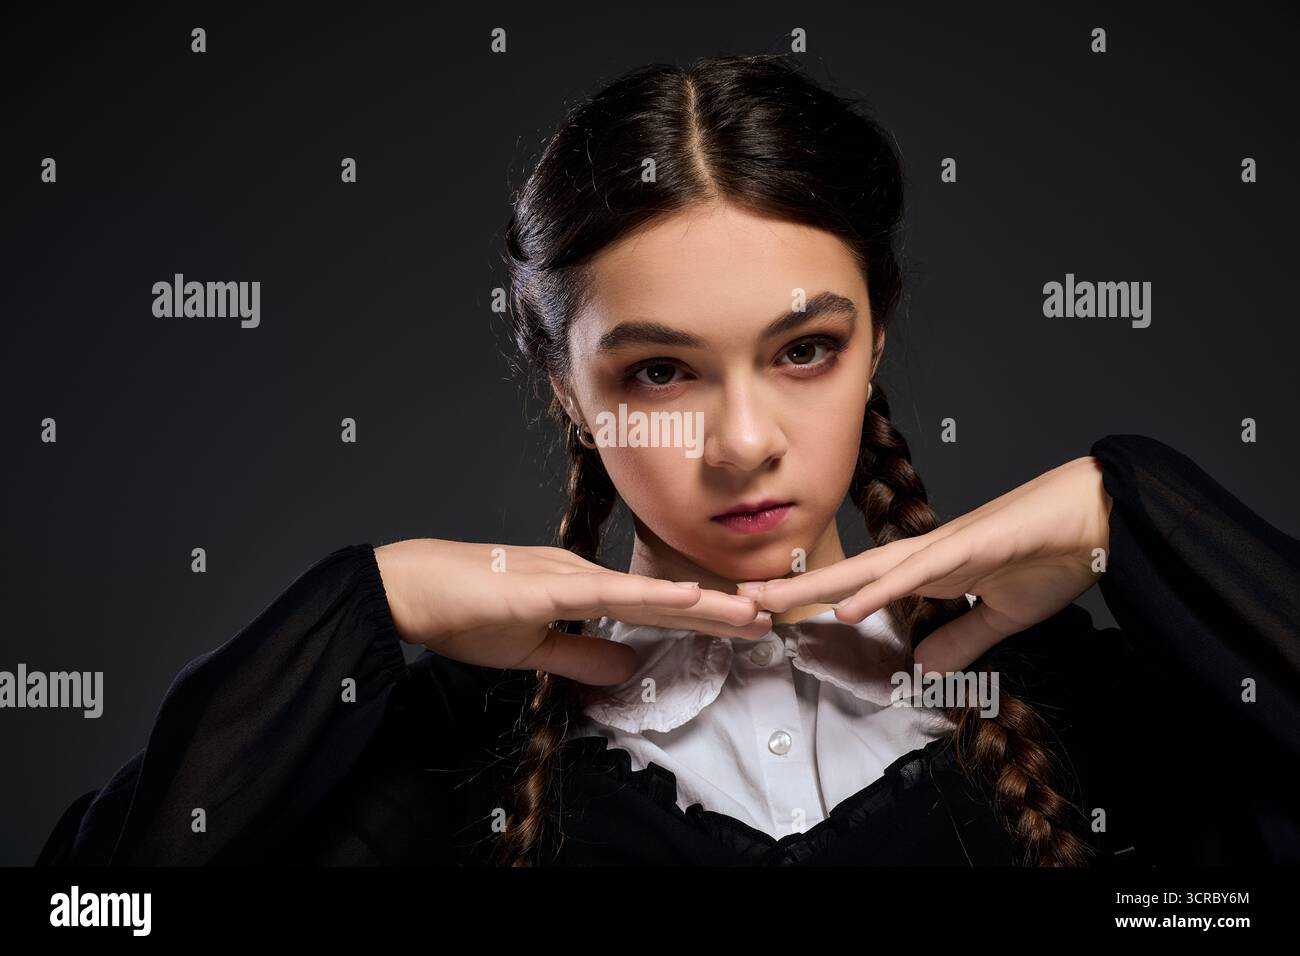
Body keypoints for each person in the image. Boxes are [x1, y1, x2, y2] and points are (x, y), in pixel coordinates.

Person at [36, 54, 1300, 867]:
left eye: (804, 348)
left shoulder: (1099, 720)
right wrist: (371, 602)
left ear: (877, 338)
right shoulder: (430, 767)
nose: (744, 441)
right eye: (657, 371)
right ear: (562, 385)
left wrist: (1129, 508)